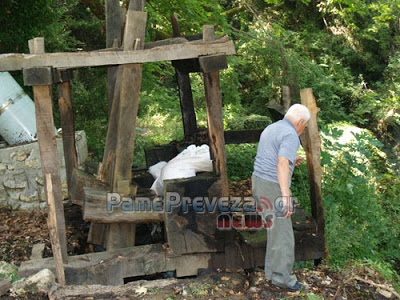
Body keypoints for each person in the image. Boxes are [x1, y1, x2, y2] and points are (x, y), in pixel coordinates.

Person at [252, 104, 310, 292]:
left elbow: (276, 156)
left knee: (275, 231)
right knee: (283, 235)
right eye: (305, 126)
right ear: (300, 122)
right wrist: (285, 196)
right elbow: (282, 163)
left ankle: (273, 274)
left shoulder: (273, 127)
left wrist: (292, 158)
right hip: (273, 187)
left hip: (259, 182)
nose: (303, 129)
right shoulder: (291, 134)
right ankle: (283, 279)